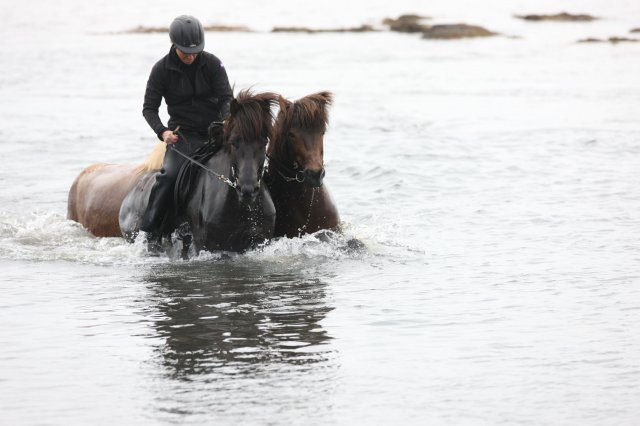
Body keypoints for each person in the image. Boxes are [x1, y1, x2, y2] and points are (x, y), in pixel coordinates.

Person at [140, 15, 232, 252]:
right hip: (184, 136)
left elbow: (225, 98)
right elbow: (149, 108)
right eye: (185, 52)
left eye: (195, 52)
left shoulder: (213, 64)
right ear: (173, 45)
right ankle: (150, 233)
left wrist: (227, 121)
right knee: (170, 176)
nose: (191, 56)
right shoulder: (161, 70)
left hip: (216, 132)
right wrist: (163, 132)